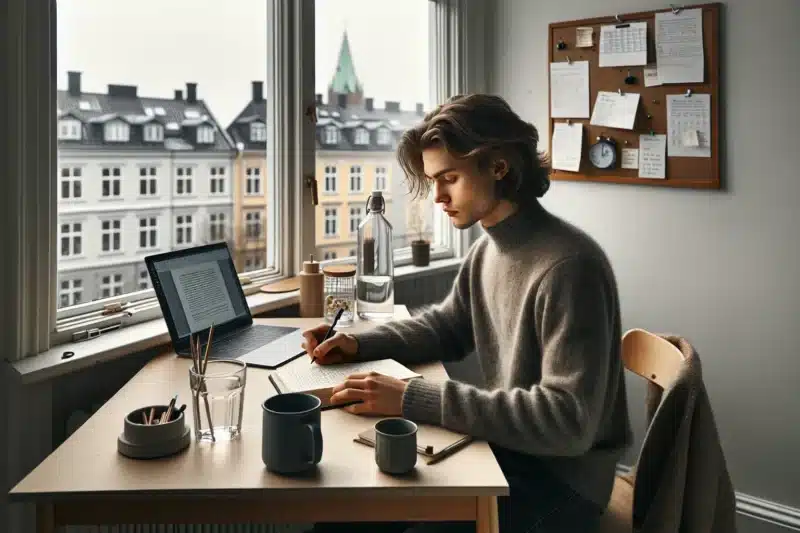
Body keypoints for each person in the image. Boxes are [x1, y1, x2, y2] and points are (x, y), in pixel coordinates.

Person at [301, 94, 633, 533]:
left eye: (449, 178)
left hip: (562, 484)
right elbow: (447, 327)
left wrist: (412, 397)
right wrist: (359, 342)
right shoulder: (487, 250)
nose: (437, 196)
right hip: (511, 453)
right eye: (432, 180)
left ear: (499, 167)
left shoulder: (570, 267)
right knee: (348, 515)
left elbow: (567, 421)